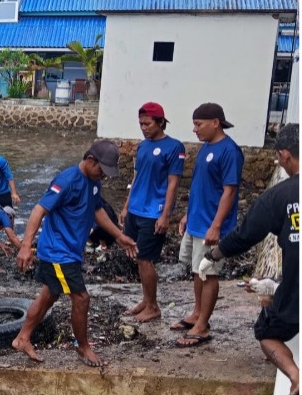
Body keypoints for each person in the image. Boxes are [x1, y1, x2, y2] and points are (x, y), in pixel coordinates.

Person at [11, 140, 138, 367]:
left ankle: (22, 338)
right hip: (58, 252)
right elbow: (39, 209)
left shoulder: (94, 182)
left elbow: (96, 210)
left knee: (49, 294)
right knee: (81, 298)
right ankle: (83, 347)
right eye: (102, 170)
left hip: (71, 251)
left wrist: (119, 236)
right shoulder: (67, 180)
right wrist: (25, 246)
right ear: (90, 160)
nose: (104, 175)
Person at [198, 123, 298, 393]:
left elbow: (245, 235)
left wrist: (213, 255)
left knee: (267, 333)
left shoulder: (280, 195)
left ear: (284, 155)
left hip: (296, 292)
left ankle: (295, 376)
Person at [173, 103, 244, 347]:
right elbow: (199, 186)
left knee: (209, 273)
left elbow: (229, 191)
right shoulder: (205, 148)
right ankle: (197, 313)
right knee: (197, 270)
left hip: (211, 226)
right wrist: (187, 215)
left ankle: (203, 325)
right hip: (196, 221)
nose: (195, 129)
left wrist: (216, 226)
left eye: (198, 124)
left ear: (215, 123)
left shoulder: (230, 151)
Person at [118, 102, 186, 323]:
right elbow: (136, 178)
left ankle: (153, 307)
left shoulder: (174, 147)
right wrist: (126, 207)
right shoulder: (142, 147)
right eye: (141, 124)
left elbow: (173, 183)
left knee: (145, 259)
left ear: (160, 122)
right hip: (136, 209)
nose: (143, 128)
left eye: (147, 124)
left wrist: (165, 214)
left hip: (153, 212)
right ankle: (146, 300)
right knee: (138, 258)